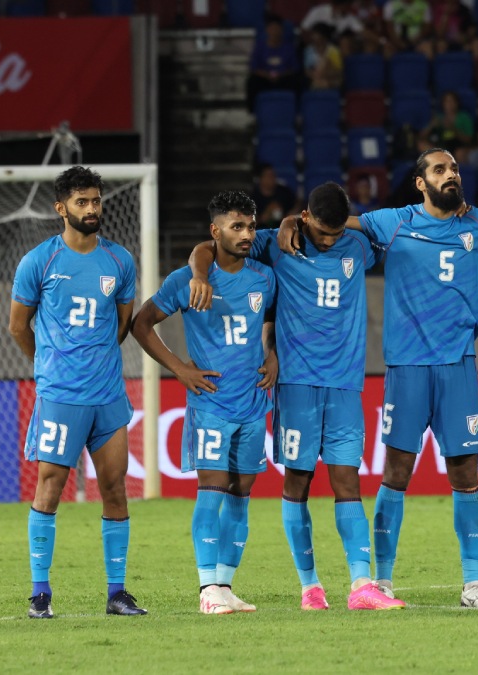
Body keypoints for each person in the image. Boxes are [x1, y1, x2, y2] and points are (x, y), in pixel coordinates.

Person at [253, 148, 478, 608]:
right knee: (396, 473)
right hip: (406, 367)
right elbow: (333, 221)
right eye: (440, 170)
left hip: (458, 365)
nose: (451, 175)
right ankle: (382, 581)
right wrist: (291, 220)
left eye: (455, 169)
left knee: (466, 475)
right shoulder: (394, 222)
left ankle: (473, 584)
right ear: (420, 183)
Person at [187, 183, 402, 611]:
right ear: (306, 218)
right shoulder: (276, 244)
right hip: (296, 384)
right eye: (321, 232)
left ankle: (361, 584)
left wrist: (302, 222)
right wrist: (198, 274)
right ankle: (310, 587)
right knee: (297, 483)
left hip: (345, 385)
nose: (329, 241)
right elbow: (207, 248)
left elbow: (391, 230)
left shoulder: (358, 245)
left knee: (348, 482)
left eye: (335, 234)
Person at [8, 166, 146, 619]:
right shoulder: (39, 262)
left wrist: (95, 360)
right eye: (81, 202)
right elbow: (18, 326)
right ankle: (40, 594)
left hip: (107, 395)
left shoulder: (120, 261)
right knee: (50, 486)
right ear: (60, 208)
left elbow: (122, 324)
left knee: (115, 488)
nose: (91, 209)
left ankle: (117, 594)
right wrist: (49, 363)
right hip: (61, 395)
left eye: (96, 200)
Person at [130, 191, 276, 615]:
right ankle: (207, 587)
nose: (247, 234)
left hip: (253, 402)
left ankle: (225, 585)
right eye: (236, 226)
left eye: (250, 226)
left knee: (242, 493)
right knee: (211, 489)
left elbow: (274, 317)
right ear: (216, 231)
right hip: (211, 402)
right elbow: (141, 324)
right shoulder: (187, 280)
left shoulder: (264, 277)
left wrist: (273, 354)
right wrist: (179, 368)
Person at [246, 14, 302, 110]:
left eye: (277, 28)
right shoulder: (259, 47)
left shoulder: (289, 48)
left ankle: (296, 111)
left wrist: (280, 75)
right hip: (265, 79)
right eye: (272, 28)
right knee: (252, 81)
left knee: (296, 81)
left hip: (283, 78)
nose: (274, 32)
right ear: (267, 30)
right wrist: (267, 75)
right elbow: (254, 68)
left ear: (282, 30)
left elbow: (294, 68)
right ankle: (253, 112)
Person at [422, 91, 475, 156]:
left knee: (460, 153)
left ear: (457, 103)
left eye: (451, 101)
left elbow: (469, 140)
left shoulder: (464, 117)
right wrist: (431, 126)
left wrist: (453, 129)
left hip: (458, 146)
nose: (449, 104)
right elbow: (422, 136)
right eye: (446, 101)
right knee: (422, 145)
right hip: (441, 146)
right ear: (443, 104)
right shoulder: (439, 117)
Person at [250, 163, 297, 229]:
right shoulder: (253, 198)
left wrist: (290, 215)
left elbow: (298, 203)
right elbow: (250, 222)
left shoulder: (283, 191)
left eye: (273, 175)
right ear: (260, 178)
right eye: (268, 176)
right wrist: (265, 215)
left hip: (284, 230)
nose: (272, 178)